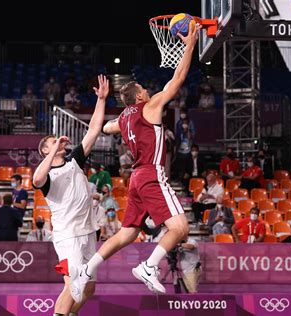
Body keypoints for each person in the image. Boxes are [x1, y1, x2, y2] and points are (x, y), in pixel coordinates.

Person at [69, 25, 199, 302]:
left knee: (127, 234)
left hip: (135, 178)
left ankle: (86, 270)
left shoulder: (124, 119)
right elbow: (179, 77)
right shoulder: (149, 108)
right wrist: (190, 45)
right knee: (180, 228)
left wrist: (102, 102)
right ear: (139, 97)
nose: (148, 90)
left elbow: (104, 128)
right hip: (151, 174)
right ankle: (149, 266)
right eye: (143, 89)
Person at [32, 75, 109, 315]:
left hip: (88, 232)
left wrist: (101, 100)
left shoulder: (74, 160)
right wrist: (54, 148)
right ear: (46, 150)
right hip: (68, 237)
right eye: (52, 142)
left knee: (88, 289)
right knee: (72, 284)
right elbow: (35, 180)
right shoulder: (46, 176)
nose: (59, 142)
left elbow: (94, 129)